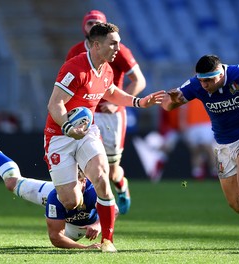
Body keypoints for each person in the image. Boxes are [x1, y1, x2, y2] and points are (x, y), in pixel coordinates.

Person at [44, 22, 165, 253]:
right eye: (114, 43)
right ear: (97, 45)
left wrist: (138, 102)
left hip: (88, 131)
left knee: (101, 176)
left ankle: (108, 241)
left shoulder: (107, 68)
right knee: (70, 201)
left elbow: (110, 93)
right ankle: (57, 195)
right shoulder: (75, 68)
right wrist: (68, 126)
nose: (118, 48)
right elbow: (54, 104)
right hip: (59, 135)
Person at [161, 54, 239, 253]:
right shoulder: (196, 84)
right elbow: (168, 105)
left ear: (221, 74)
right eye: (201, 80)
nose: (204, 85)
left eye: (209, 80)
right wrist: (171, 101)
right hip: (222, 145)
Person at [0, 134, 119, 250]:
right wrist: (84, 248)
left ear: (84, 180)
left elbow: (115, 210)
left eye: (74, 182)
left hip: (82, 227)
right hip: (68, 224)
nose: (67, 186)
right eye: (64, 182)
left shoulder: (93, 188)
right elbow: (56, 237)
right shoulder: (56, 195)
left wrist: (97, 224)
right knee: (12, 183)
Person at [66, 10, 147, 215]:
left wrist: (116, 104)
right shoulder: (75, 51)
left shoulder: (119, 50)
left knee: (111, 170)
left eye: (98, 23)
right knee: (86, 166)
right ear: (84, 27)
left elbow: (139, 80)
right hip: (87, 115)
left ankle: (120, 184)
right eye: (90, 22)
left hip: (111, 115)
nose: (93, 26)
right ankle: (94, 208)